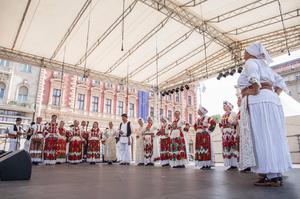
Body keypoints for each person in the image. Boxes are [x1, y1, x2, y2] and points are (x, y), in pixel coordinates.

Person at [237, 43, 292, 186]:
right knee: (273, 136)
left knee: (261, 136)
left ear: (251, 54)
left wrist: (253, 90)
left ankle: (270, 175)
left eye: (245, 52)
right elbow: (280, 82)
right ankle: (275, 173)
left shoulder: (251, 62)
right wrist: (274, 94)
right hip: (271, 100)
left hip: (258, 101)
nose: (244, 55)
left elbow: (253, 78)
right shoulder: (266, 67)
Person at [220, 101, 238, 170]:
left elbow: (236, 122)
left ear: (229, 107)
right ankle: (230, 164)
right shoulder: (223, 115)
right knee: (226, 147)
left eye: (225, 106)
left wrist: (232, 125)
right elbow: (220, 124)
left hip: (231, 132)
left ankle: (234, 164)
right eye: (223, 106)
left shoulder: (233, 113)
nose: (224, 107)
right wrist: (222, 129)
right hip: (225, 133)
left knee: (232, 146)